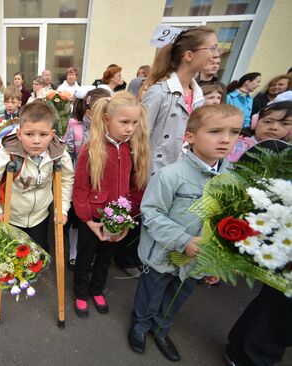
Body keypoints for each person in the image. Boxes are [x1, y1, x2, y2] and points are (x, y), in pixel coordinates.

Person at [128, 104, 244, 362]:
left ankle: (161, 329)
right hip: (162, 254)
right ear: (189, 137)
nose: (226, 139)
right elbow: (151, 213)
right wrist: (182, 240)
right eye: (215, 131)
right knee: (151, 293)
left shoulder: (233, 179)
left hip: (198, 260)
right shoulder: (171, 175)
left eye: (234, 132)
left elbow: (230, 223)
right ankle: (140, 325)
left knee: (177, 297)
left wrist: (219, 262)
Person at [72, 92, 150, 317]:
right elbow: (80, 187)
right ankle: (80, 292)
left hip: (118, 218)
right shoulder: (92, 149)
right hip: (93, 218)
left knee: (106, 257)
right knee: (85, 256)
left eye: (134, 123)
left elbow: (137, 186)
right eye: (124, 122)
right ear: (107, 119)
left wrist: (128, 216)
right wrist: (87, 219)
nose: (130, 128)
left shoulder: (133, 149)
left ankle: (97, 289)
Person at [0, 101, 74, 252]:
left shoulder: (58, 154)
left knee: (38, 254)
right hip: (12, 217)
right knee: (13, 256)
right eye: (29, 134)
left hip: (40, 217)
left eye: (43, 134)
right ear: (19, 134)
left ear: (52, 134)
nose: (36, 141)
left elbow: (66, 180)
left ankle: (33, 275)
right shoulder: (8, 153)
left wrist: (62, 208)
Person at [143, 26, 218, 175]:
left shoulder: (198, 96)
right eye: (212, 48)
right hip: (154, 173)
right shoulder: (159, 92)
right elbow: (140, 138)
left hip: (180, 171)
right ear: (189, 55)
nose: (216, 55)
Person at [63, 87, 110, 270]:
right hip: (80, 183)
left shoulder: (109, 131)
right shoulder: (75, 128)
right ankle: (74, 252)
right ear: (90, 113)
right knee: (78, 219)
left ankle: (91, 251)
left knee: (96, 217)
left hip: (101, 185)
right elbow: (68, 153)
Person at [228, 99, 292, 162]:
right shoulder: (236, 144)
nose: (274, 127)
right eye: (268, 122)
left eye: (285, 123)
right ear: (255, 122)